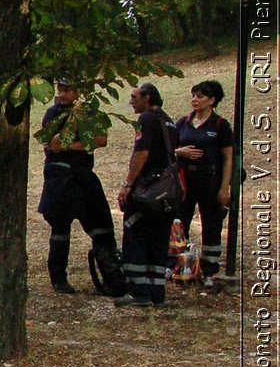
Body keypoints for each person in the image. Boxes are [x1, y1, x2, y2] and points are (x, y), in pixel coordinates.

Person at [35, 77, 114, 293]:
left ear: (78, 91)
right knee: (60, 230)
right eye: (59, 89)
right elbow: (55, 144)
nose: (62, 94)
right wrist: (80, 141)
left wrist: (73, 143)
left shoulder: (89, 111)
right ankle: (59, 279)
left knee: (102, 228)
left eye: (67, 90)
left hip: (84, 176)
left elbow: (101, 140)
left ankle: (112, 276)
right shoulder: (53, 114)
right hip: (59, 177)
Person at [117, 82, 179, 307]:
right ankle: (156, 292)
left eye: (135, 97)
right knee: (158, 240)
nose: (131, 101)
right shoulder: (169, 122)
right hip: (165, 194)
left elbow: (141, 154)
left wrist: (128, 184)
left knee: (136, 236)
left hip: (147, 191)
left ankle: (139, 291)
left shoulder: (145, 120)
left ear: (148, 97)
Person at [174, 79, 235, 285]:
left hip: (209, 180)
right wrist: (179, 152)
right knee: (179, 222)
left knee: (211, 223)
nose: (195, 100)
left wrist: (224, 186)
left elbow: (228, 158)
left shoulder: (220, 125)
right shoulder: (183, 122)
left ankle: (209, 270)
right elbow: (166, 149)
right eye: (193, 95)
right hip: (185, 180)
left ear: (212, 100)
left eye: (200, 96)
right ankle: (180, 266)